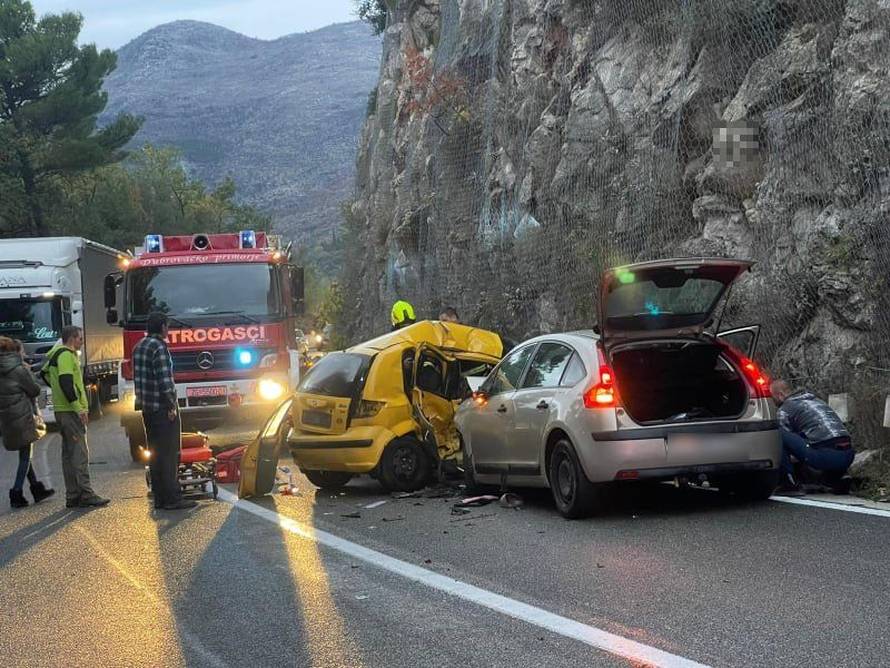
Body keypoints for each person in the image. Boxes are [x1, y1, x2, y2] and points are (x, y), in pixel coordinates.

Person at [133, 312, 196, 511]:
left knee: (155, 453)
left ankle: (160, 497)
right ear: (162, 327)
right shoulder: (159, 347)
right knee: (169, 454)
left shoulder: (139, 346)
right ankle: (173, 497)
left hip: (147, 408)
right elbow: (164, 380)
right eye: (167, 326)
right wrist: (171, 405)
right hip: (161, 407)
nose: (168, 330)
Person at [43, 326, 109, 508]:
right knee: (80, 452)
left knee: (68, 453)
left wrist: (55, 389)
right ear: (72, 339)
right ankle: (86, 494)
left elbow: (44, 373)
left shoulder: (55, 354)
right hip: (70, 411)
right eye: (80, 338)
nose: (82, 341)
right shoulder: (65, 355)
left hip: (62, 410)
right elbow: (66, 382)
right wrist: (78, 408)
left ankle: (73, 494)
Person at [771, 380, 854, 495]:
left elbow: (785, 442)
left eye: (772, 397)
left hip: (825, 456)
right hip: (849, 454)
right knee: (822, 439)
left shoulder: (784, 409)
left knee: (777, 433)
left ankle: (788, 483)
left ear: (780, 395)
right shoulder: (816, 400)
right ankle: (838, 477)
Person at [0, 337, 54, 508]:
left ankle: (36, 488)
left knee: (24, 452)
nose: (24, 354)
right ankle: (16, 492)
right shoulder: (18, 370)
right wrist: (28, 372)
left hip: (7, 417)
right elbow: (35, 389)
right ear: (15, 352)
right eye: (22, 351)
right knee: (26, 455)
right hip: (23, 416)